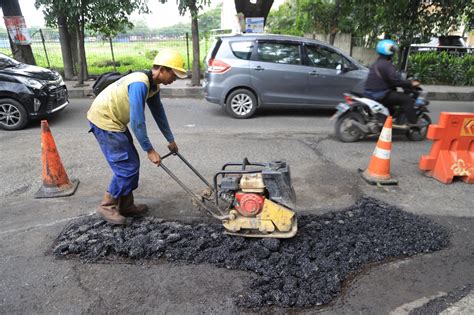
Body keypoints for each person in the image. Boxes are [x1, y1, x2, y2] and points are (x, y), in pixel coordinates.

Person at [87, 49, 187, 225]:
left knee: (131, 163)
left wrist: (170, 140)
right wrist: (149, 150)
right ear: (162, 69)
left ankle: (126, 205)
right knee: (126, 166)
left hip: (115, 122)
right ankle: (107, 205)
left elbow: (158, 113)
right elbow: (137, 122)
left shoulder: (153, 85)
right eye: (174, 74)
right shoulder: (140, 84)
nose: (174, 79)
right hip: (104, 121)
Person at [364, 39, 420, 128]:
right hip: (380, 94)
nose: (394, 52)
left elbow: (389, 80)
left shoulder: (376, 63)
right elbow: (395, 80)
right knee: (407, 99)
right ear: (389, 51)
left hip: (371, 92)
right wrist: (410, 83)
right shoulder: (386, 64)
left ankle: (389, 120)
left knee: (394, 98)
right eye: (393, 49)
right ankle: (414, 123)